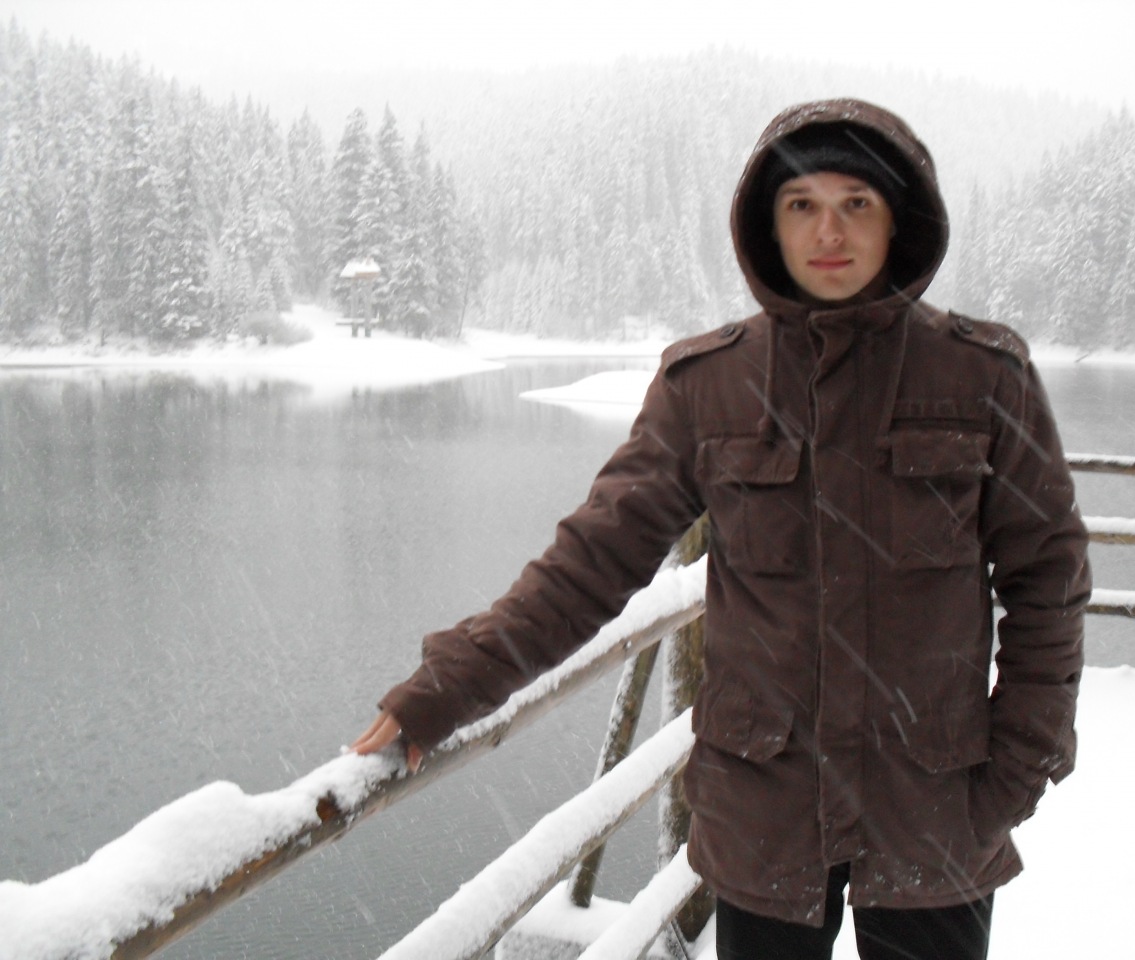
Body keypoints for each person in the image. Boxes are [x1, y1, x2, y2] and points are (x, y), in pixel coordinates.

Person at [353, 98, 1091, 960]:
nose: (829, 231)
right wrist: (448, 686)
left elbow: (1050, 580)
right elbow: (590, 566)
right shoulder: (707, 385)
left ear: (898, 219)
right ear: (768, 225)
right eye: (802, 204)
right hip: (763, 814)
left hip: (936, 807)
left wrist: (1020, 765)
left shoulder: (983, 376)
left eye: (857, 203)